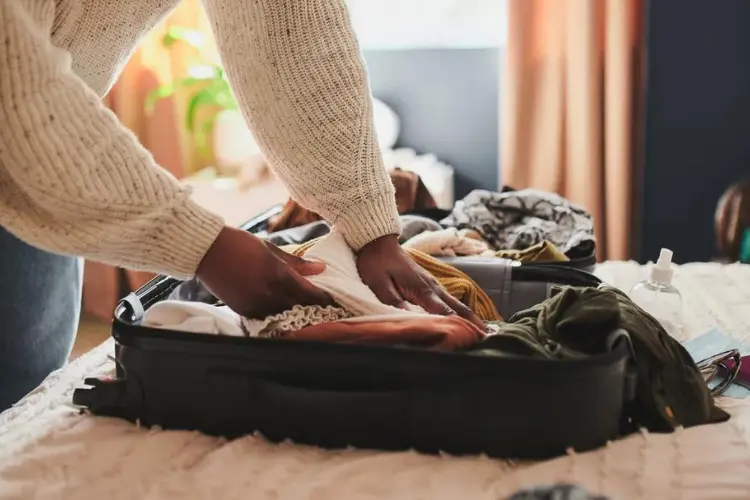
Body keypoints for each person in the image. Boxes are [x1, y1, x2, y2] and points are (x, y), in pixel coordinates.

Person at [0, 0, 480, 411]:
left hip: (46, 157)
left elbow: (290, 31)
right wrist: (200, 244)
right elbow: (12, 80)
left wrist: (366, 219)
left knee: (25, 392)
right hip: (32, 137)